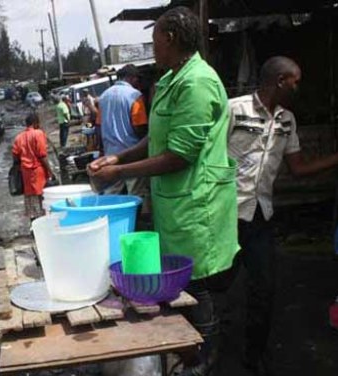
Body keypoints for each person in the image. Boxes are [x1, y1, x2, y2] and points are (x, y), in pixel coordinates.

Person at [88, 7, 239, 375]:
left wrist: (119, 171)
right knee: (182, 285)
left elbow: (179, 155)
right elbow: (158, 140)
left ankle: (202, 361)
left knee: (197, 285)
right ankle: (187, 355)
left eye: (154, 39)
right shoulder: (173, 79)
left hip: (196, 202)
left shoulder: (197, 83)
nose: (152, 48)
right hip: (176, 203)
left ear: (169, 39)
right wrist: (117, 156)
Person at [228, 56, 338, 374]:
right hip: (226, 213)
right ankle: (209, 352)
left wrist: (337, 158)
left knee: (264, 289)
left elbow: (299, 167)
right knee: (219, 287)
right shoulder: (233, 110)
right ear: (280, 81)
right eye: (295, 80)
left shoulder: (288, 120)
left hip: (261, 215)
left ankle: (254, 358)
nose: (298, 86)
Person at [97, 64, 149, 196]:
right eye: (137, 79)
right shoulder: (134, 95)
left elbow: (99, 125)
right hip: (132, 155)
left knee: (113, 195)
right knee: (137, 195)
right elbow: (139, 126)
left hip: (110, 156)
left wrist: (102, 150)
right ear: (131, 78)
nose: (137, 82)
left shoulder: (103, 96)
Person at [12, 113, 55, 221]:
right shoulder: (38, 134)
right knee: (42, 200)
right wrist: (51, 172)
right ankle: (44, 226)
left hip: (26, 174)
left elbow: (15, 157)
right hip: (38, 172)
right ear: (35, 123)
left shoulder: (19, 137)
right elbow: (42, 156)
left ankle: (34, 227)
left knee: (31, 201)